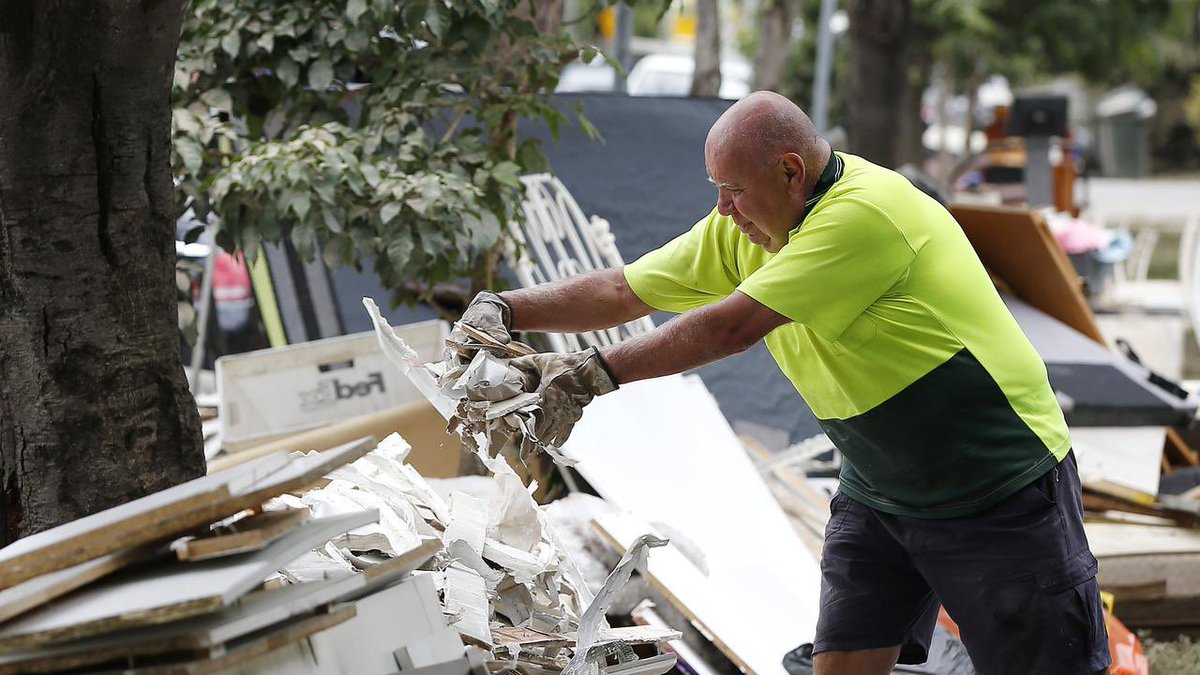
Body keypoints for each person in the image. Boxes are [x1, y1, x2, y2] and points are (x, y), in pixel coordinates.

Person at [460, 91, 1110, 675]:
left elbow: (730, 327)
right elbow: (623, 289)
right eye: (717, 189)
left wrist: (588, 375)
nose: (723, 208)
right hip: (883, 487)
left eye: (733, 189)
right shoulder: (748, 226)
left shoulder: (863, 215)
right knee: (842, 662)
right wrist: (506, 308)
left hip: (995, 484)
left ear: (791, 171)